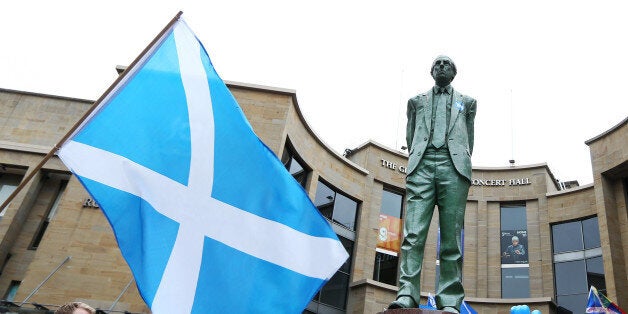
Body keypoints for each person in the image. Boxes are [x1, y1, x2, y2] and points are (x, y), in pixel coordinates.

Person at [388, 55, 476, 313]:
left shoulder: (468, 103)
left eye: (446, 64)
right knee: (412, 235)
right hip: (422, 166)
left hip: (453, 167)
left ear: (454, 72)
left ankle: (449, 300)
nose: (441, 67)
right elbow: (411, 134)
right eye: (437, 64)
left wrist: (458, 160)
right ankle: (406, 294)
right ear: (431, 71)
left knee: (451, 239)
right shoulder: (416, 102)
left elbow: (468, 138)